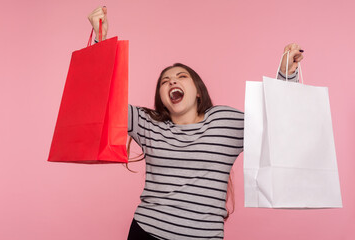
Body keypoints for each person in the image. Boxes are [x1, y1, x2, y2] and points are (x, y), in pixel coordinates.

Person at [87, 6, 304, 240]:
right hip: (147, 231)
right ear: (161, 96)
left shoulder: (224, 121)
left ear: (198, 92)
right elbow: (100, 101)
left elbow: (275, 126)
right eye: (165, 81)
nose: (172, 83)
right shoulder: (147, 123)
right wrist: (100, 42)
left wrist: (286, 75)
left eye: (181, 77)